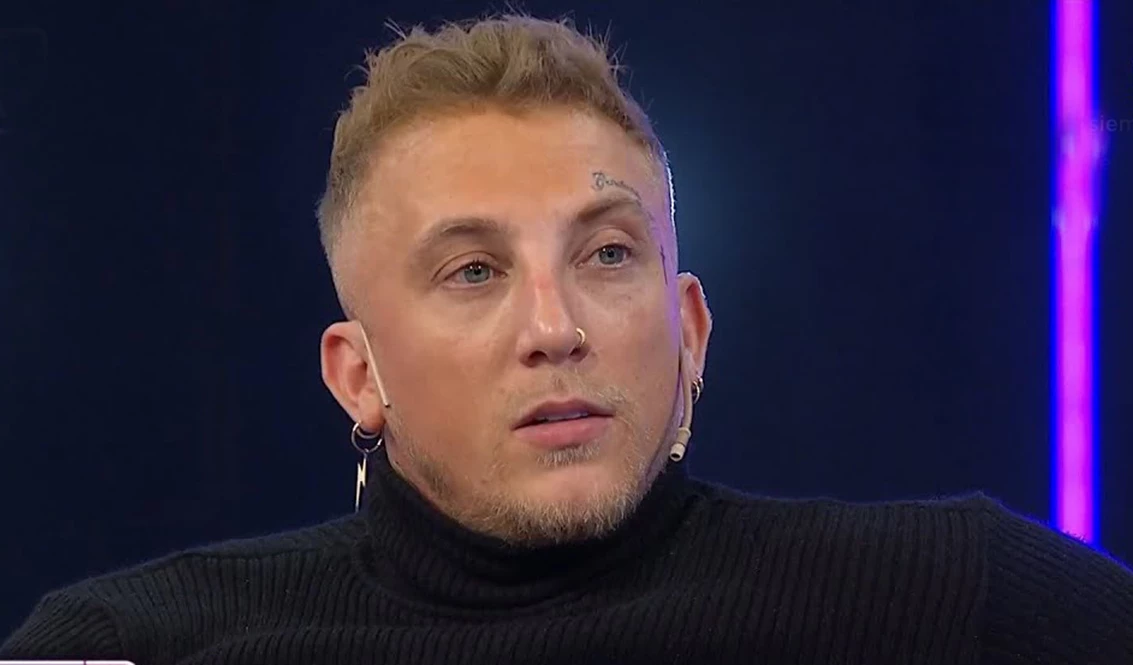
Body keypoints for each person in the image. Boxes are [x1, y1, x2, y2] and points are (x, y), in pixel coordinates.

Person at [4, 13, 1132, 665]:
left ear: (688, 331)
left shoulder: (957, 601)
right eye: (474, 271)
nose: (555, 328)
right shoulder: (127, 643)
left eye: (605, 254)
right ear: (358, 373)